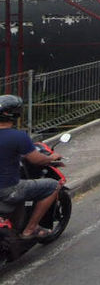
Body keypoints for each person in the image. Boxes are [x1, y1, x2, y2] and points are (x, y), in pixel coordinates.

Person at [0, 95, 62, 240]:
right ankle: (30, 229)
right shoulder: (18, 137)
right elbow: (37, 159)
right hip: (8, 189)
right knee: (53, 186)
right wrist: (51, 158)